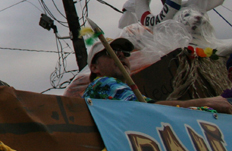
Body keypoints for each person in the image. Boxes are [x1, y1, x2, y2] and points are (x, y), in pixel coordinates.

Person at [83, 38, 232, 113]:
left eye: (125, 53)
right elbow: (147, 109)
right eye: (112, 52)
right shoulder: (102, 83)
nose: (121, 55)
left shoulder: (121, 90)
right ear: (95, 67)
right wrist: (208, 102)